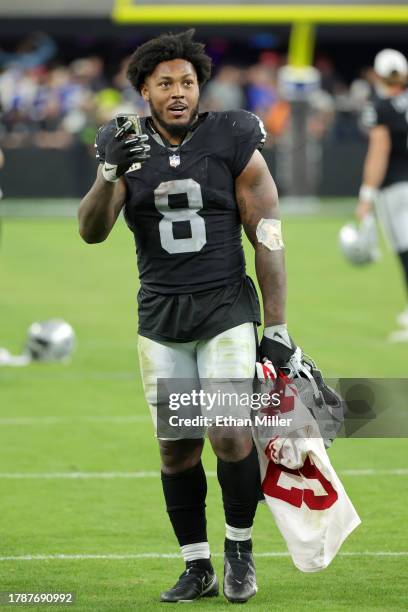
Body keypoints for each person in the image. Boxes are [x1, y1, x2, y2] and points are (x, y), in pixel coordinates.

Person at [78, 30, 296, 603]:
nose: (179, 92)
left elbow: (266, 232)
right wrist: (108, 174)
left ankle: (240, 551)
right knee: (177, 445)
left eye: (188, 82)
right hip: (162, 318)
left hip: (223, 308)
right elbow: (91, 231)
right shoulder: (122, 141)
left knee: (227, 431)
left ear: (200, 87)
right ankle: (196, 566)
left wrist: (275, 326)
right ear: (144, 90)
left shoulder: (231, 136)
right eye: (166, 83)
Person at [357, 49, 408, 340]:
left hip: (395, 186)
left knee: (404, 249)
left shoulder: (381, 105)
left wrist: (366, 194)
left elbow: (379, 150)